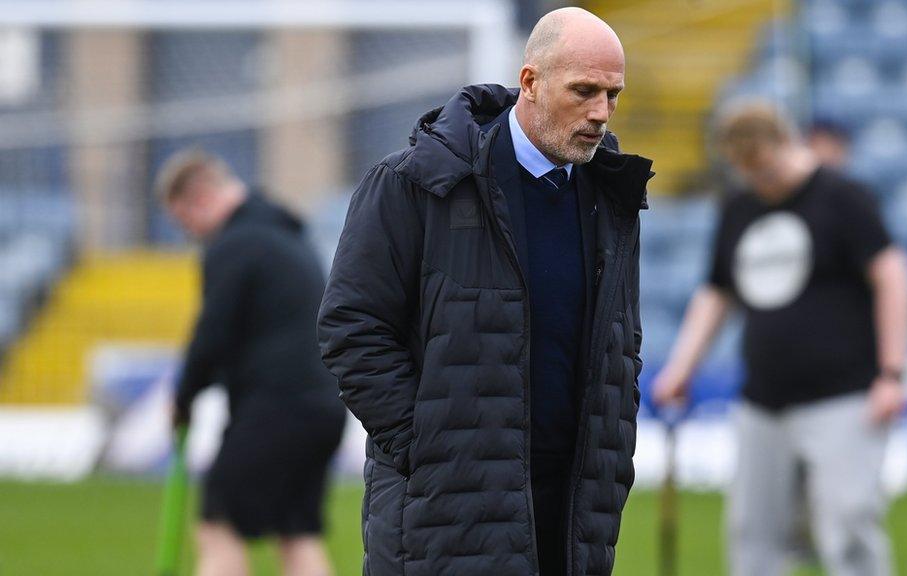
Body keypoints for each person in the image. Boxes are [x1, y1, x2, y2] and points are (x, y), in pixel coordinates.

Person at [317, 7, 651, 575]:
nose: (601, 112)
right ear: (530, 82)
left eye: (613, 95)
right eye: (584, 91)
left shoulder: (612, 198)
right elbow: (353, 328)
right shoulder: (413, 182)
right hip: (446, 508)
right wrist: (429, 450)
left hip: (574, 511)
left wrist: (611, 452)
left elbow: (622, 342)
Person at [653, 101, 907, 576]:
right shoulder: (740, 205)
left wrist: (893, 373)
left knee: (849, 525)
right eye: (747, 171)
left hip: (844, 397)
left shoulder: (843, 197)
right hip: (763, 402)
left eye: (765, 168)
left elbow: (892, 277)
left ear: (787, 143)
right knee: (753, 534)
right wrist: (681, 368)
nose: (760, 181)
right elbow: (717, 292)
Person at [159, 149, 345, 576]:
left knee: (217, 526)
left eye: (185, 222)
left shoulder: (234, 244)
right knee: (297, 534)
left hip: (275, 407)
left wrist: (183, 397)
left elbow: (213, 334)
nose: (191, 235)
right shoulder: (287, 234)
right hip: (322, 406)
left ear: (200, 197)